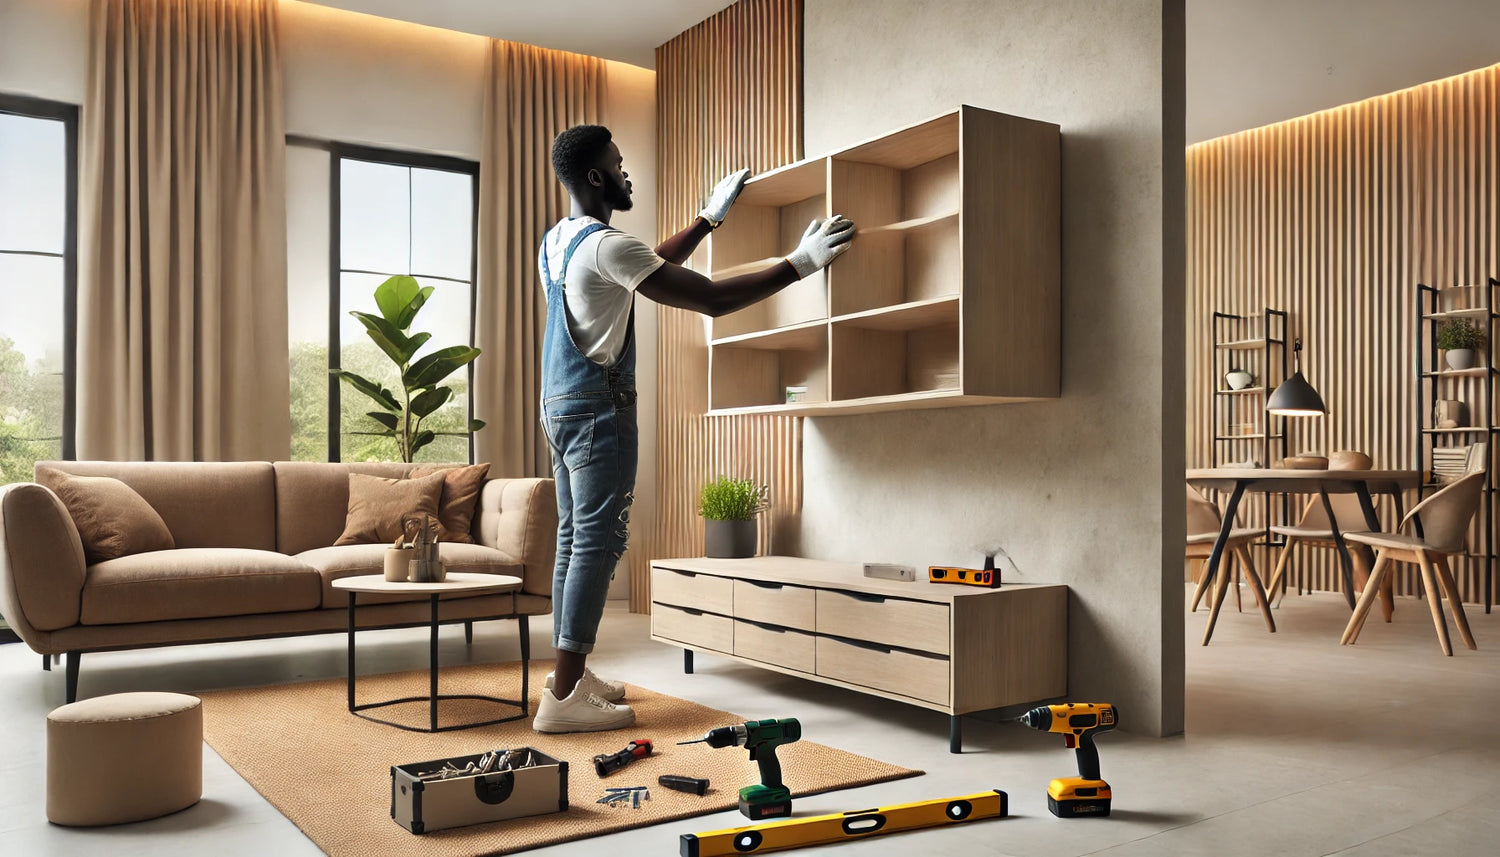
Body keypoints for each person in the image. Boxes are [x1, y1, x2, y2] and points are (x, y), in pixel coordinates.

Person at [531, 124, 855, 732]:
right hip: (600, 409)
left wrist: (708, 220)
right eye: (619, 164)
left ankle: (566, 678)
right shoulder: (608, 245)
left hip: (559, 404)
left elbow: (642, 269)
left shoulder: (559, 240)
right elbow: (706, 298)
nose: (628, 174)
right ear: (597, 176)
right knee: (596, 545)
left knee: (575, 542)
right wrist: (800, 264)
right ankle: (565, 700)